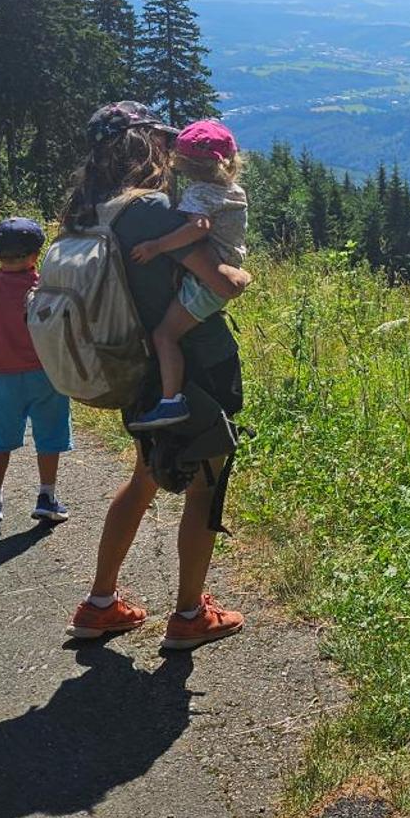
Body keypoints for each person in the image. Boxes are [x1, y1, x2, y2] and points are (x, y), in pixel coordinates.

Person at [61, 101, 252, 651]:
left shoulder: (89, 209)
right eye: (162, 142)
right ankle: (190, 613)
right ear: (143, 145)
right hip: (197, 365)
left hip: (139, 368)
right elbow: (219, 282)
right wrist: (239, 274)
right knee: (205, 486)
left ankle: (100, 604)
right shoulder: (147, 211)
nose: (171, 153)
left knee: (146, 474)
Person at [126, 119, 248, 433]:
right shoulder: (232, 190)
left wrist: (157, 246)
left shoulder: (198, 193)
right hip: (223, 270)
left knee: (165, 335)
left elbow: (199, 228)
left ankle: (171, 401)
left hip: (206, 283)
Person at [0, 216, 71, 529]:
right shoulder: (43, 287)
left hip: (4, 378)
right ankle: (47, 497)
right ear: (35, 255)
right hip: (46, 374)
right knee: (50, 435)